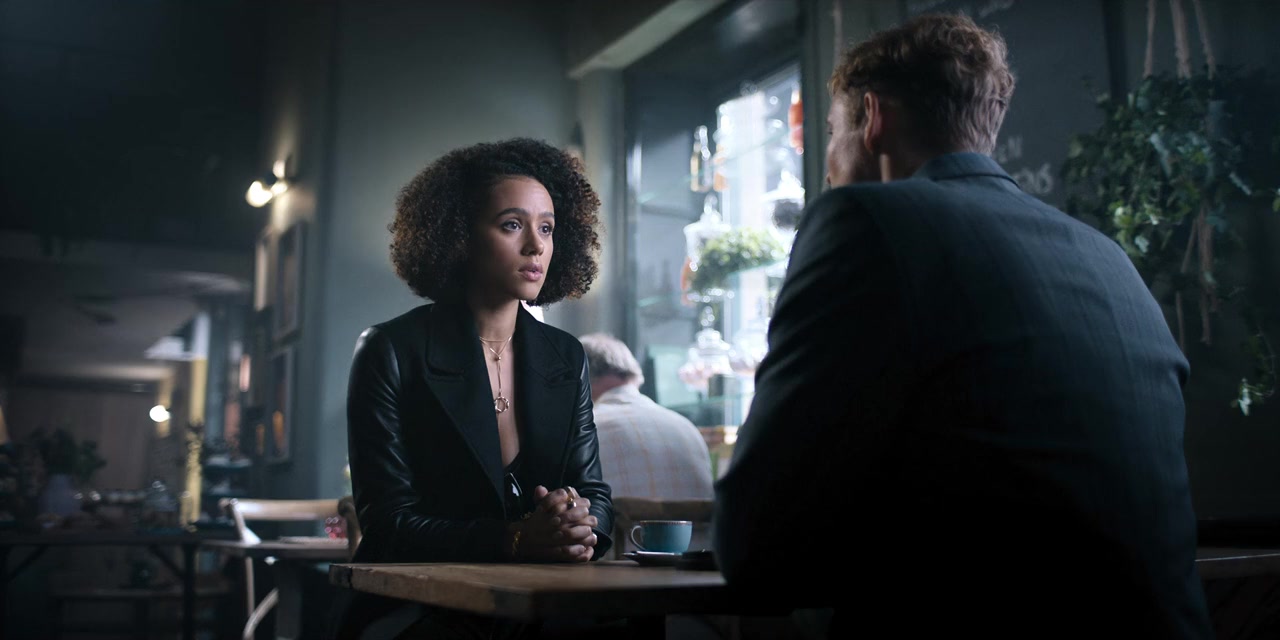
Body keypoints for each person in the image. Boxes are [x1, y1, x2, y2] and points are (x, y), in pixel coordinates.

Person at [713, 13, 1212, 639]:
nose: (829, 169)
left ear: (873, 118)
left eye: (834, 132)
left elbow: (754, 542)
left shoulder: (862, 221)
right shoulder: (1109, 257)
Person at [334, 138, 614, 639]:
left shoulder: (565, 355)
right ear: (460, 235)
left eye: (547, 228)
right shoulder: (390, 350)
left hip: (537, 603)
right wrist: (514, 540)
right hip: (421, 606)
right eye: (512, 225)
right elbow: (388, 526)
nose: (536, 246)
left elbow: (594, 493)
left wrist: (579, 525)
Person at [579, 332, 714, 501]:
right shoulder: (687, 428)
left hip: (622, 520)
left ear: (581, 379)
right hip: (694, 520)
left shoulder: (586, 431)